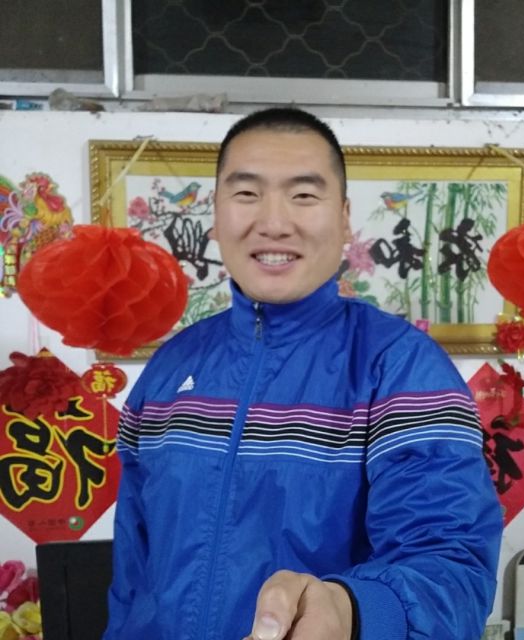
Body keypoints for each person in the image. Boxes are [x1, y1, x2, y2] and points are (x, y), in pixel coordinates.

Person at [103, 107, 503, 640]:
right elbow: (134, 575)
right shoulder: (170, 367)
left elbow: (451, 570)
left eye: (304, 195)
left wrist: (351, 610)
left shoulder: (400, 368)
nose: (274, 222)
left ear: (344, 217)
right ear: (216, 213)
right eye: (247, 193)